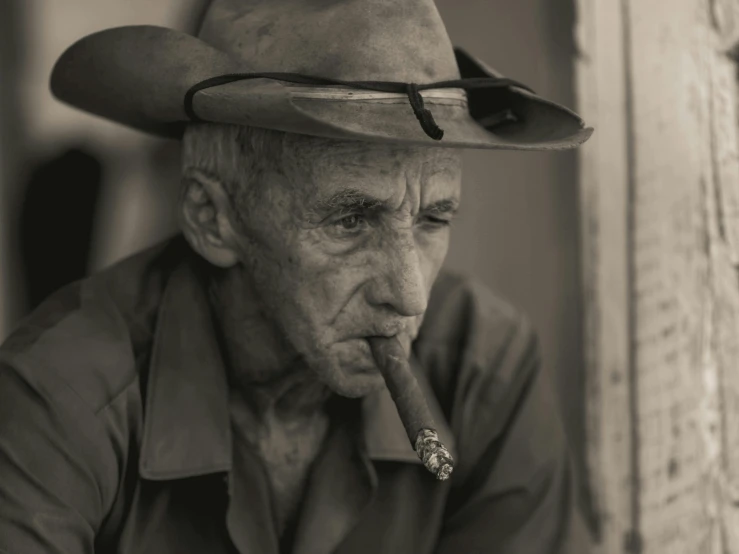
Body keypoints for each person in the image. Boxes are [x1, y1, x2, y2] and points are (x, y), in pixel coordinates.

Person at [0, 0, 594, 552]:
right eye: (352, 220)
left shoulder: (483, 370)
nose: (409, 294)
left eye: (433, 218)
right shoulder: (60, 395)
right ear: (213, 218)